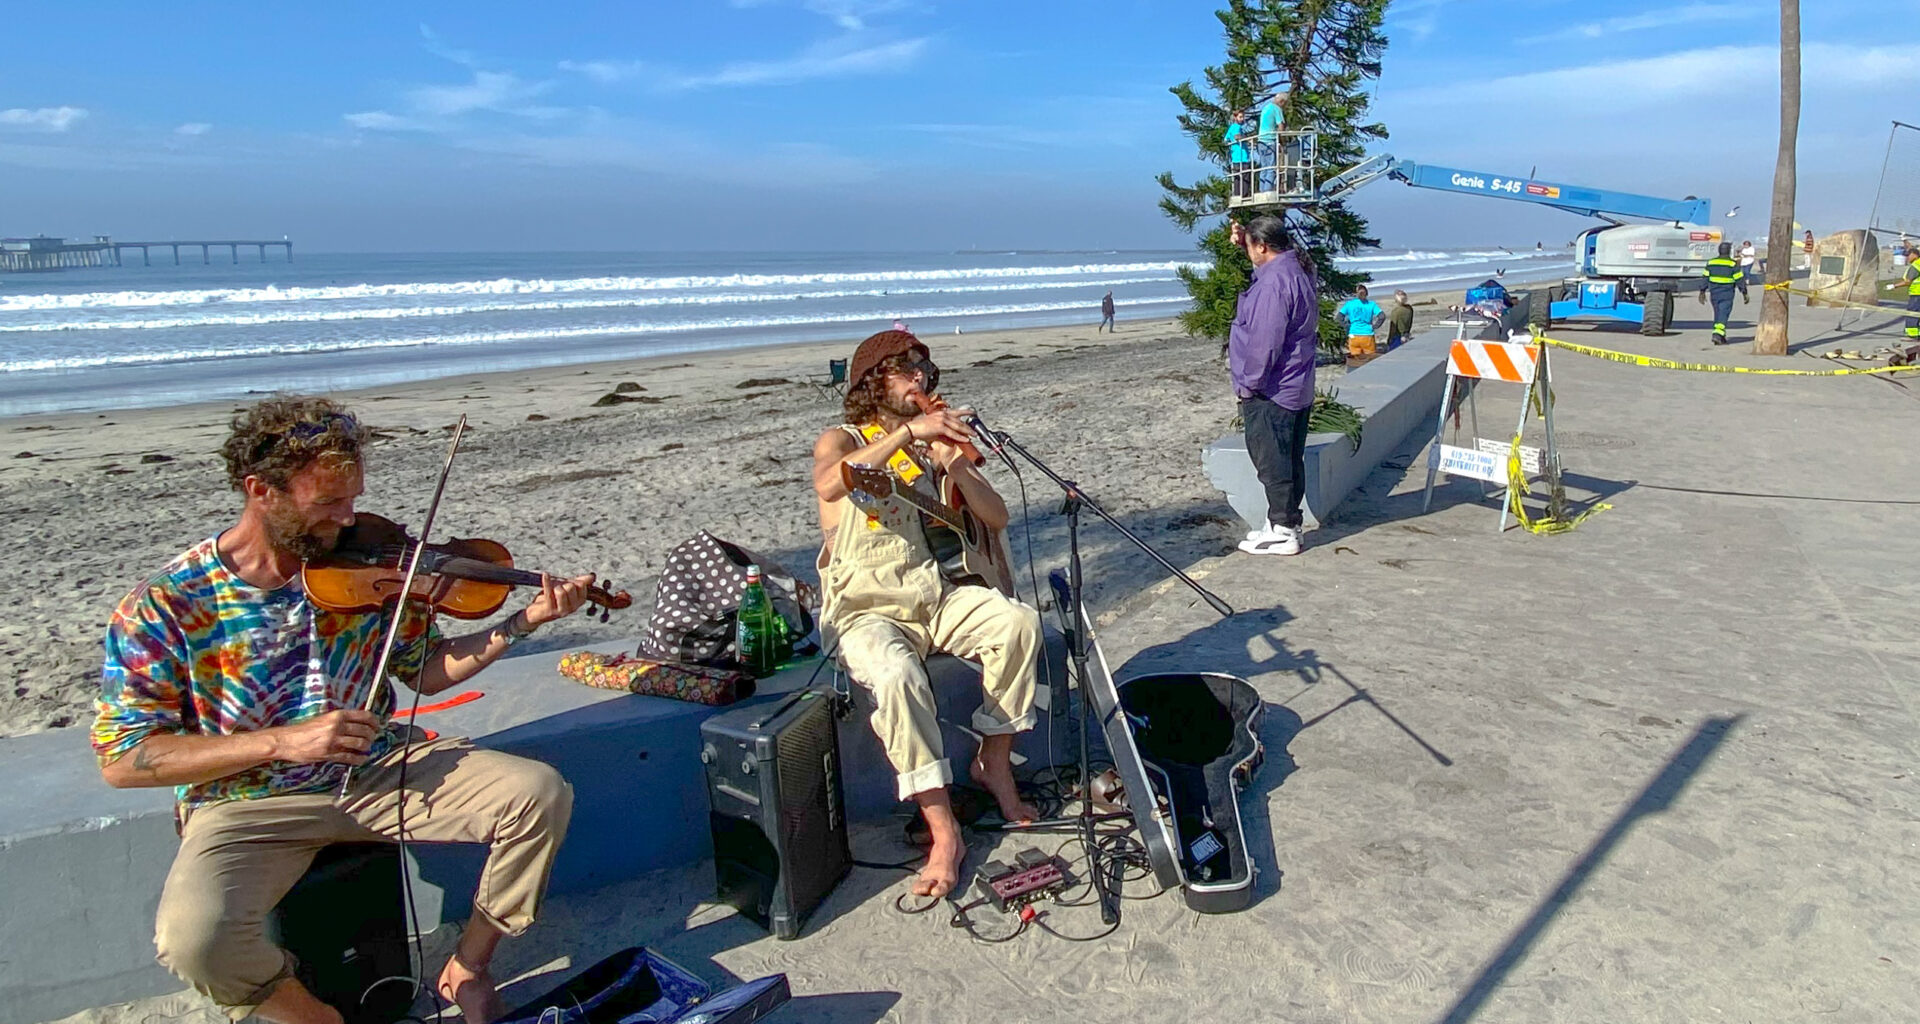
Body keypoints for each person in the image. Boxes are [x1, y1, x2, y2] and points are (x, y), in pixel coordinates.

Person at [93, 396, 593, 1024]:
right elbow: (123, 759)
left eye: (353, 499)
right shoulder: (168, 602)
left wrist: (522, 622)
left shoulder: (368, 565)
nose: (348, 519)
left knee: (538, 794)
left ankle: (467, 968)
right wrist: (283, 742)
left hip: (378, 769)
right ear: (261, 491)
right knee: (195, 942)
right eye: (328, 503)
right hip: (245, 803)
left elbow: (428, 671)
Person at [810, 330, 1041, 898]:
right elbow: (830, 483)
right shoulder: (842, 440)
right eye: (906, 370)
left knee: (1017, 623)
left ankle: (993, 762)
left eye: (924, 372)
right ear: (874, 380)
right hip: (864, 609)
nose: (920, 380)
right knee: (896, 674)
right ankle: (943, 830)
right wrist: (909, 432)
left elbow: (996, 517)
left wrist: (955, 465)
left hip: (930, 594)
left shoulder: (926, 453)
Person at [1227, 216, 1318, 556]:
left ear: (1262, 247)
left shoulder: (1274, 285)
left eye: (1251, 247)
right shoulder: (1297, 269)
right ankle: (1284, 522)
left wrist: (1248, 384)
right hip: (1295, 384)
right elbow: (1264, 268)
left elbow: (1265, 342)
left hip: (1273, 388)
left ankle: (1283, 529)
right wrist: (1246, 243)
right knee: (1289, 458)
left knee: (1272, 461)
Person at [1698, 241, 1750, 345]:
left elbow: (1705, 278)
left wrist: (1702, 291)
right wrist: (1744, 292)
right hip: (1727, 293)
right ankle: (1717, 334)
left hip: (1714, 292)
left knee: (1718, 312)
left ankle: (1721, 336)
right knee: (1723, 313)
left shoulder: (1711, 262)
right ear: (1729, 251)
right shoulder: (1732, 264)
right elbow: (1739, 279)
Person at [1337, 284, 1386, 362]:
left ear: (1356, 293)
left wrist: (1347, 326)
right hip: (1367, 334)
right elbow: (1382, 316)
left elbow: (1339, 317)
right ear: (1367, 293)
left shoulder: (1349, 304)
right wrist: (1375, 326)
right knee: (1370, 359)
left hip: (1353, 335)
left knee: (1356, 359)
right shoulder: (1371, 304)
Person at [1257, 93, 1287, 193]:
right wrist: (1282, 140)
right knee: (1271, 167)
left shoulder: (1266, 107)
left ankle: (1262, 190)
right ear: (1282, 101)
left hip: (1261, 141)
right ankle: (1267, 190)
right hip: (1270, 140)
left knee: (1264, 168)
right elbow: (1281, 126)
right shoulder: (1276, 109)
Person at [1223, 109, 1251, 199]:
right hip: (1242, 157)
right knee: (1245, 178)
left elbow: (1225, 139)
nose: (1242, 119)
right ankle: (1244, 196)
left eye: (1243, 117)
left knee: (1237, 179)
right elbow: (1237, 136)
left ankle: (1237, 195)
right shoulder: (1236, 127)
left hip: (1235, 157)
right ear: (1235, 118)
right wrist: (1247, 139)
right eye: (1240, 117)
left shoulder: (1231, 127)